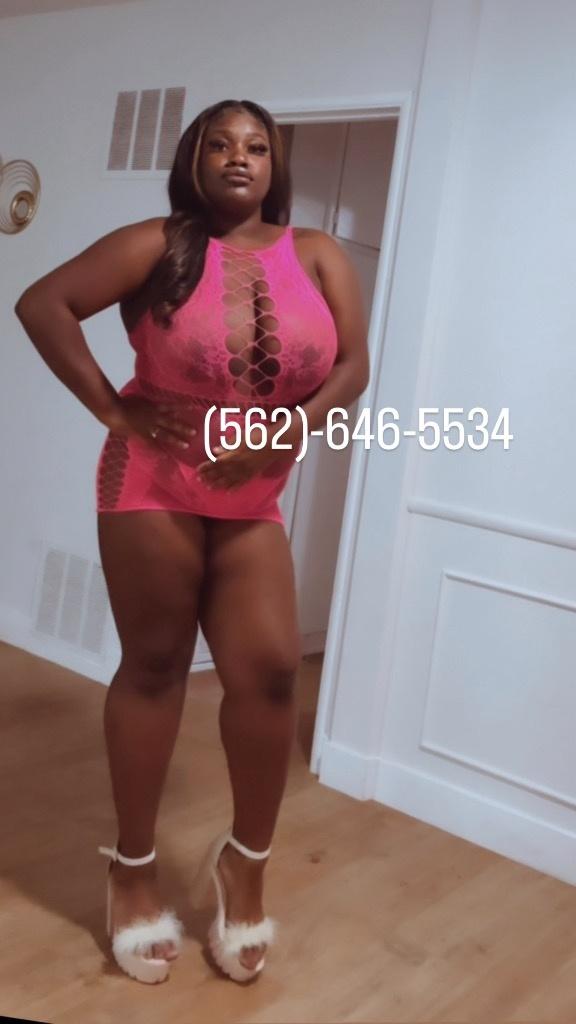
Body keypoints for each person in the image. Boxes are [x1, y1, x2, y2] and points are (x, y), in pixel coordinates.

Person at [14, 97, 369, 985]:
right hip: (152, 483)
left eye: (256, 146)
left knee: (272, 670)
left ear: (275, 165)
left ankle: (245, 861)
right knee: (157, 664)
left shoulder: (319, 255)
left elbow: (354, 365)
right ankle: (132, 868)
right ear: (195, 160)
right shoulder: (156, 244)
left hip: (254, 498)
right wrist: (114, 410)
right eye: (220, 144)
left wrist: (295, 426)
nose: (239, 158)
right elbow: (43, 302)